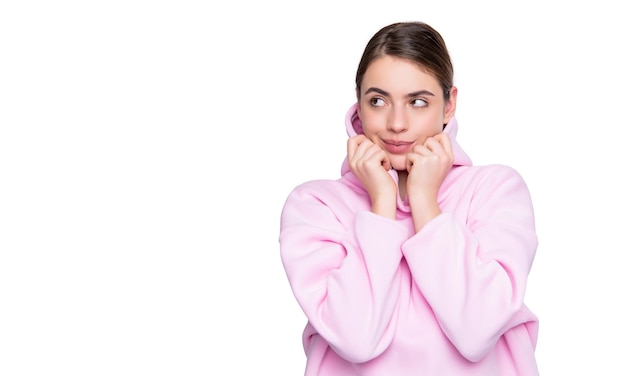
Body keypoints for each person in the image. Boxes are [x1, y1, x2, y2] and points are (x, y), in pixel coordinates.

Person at [279, 21, 540, 375]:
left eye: (418, 102)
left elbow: (478, 329)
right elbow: (355, 340)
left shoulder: (495, 190)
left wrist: (424, 200)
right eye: (378, 101)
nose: (397, 123)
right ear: (359, 106)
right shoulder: (315, 205)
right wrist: (382, 205)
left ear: (449, 106)